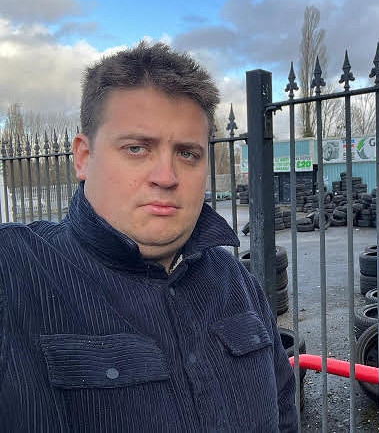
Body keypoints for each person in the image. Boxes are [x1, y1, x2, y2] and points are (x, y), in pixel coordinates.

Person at [0, 42, 297, 432]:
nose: (166, 176)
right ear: (83, 157)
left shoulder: (237, 283)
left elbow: (283, 412)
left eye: (188, 154)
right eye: (137, 148)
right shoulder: (16, 272)